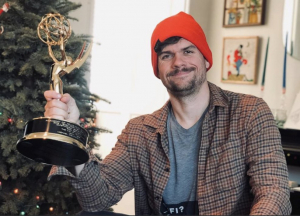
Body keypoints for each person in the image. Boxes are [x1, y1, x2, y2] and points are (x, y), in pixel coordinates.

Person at [44, 12, 292, 215]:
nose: (178, 62)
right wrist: (71, 133)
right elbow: (97, 198)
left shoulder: (250, 112)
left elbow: (274, 192)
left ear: (206, 60)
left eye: (188, 51)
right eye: (166, 55)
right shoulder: (139, 132)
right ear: (158, 70)